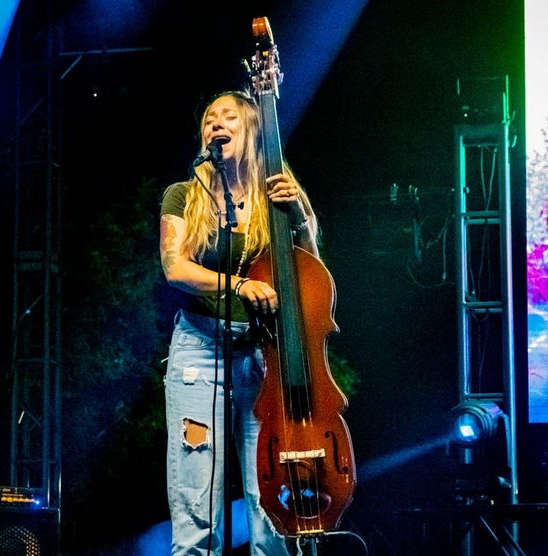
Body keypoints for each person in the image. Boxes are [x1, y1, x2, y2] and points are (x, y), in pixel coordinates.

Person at [158, 90, 318, 555]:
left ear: (251, 132)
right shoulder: (184, 195)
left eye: (228, 117)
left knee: (269, 494)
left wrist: (301, 218)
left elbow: (310, 272)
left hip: (262, 354)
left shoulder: (277, 192)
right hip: (198, 351)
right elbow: (175, 267)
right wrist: (237, 284)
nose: (216, 125)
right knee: (196, 498)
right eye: (210, 120)